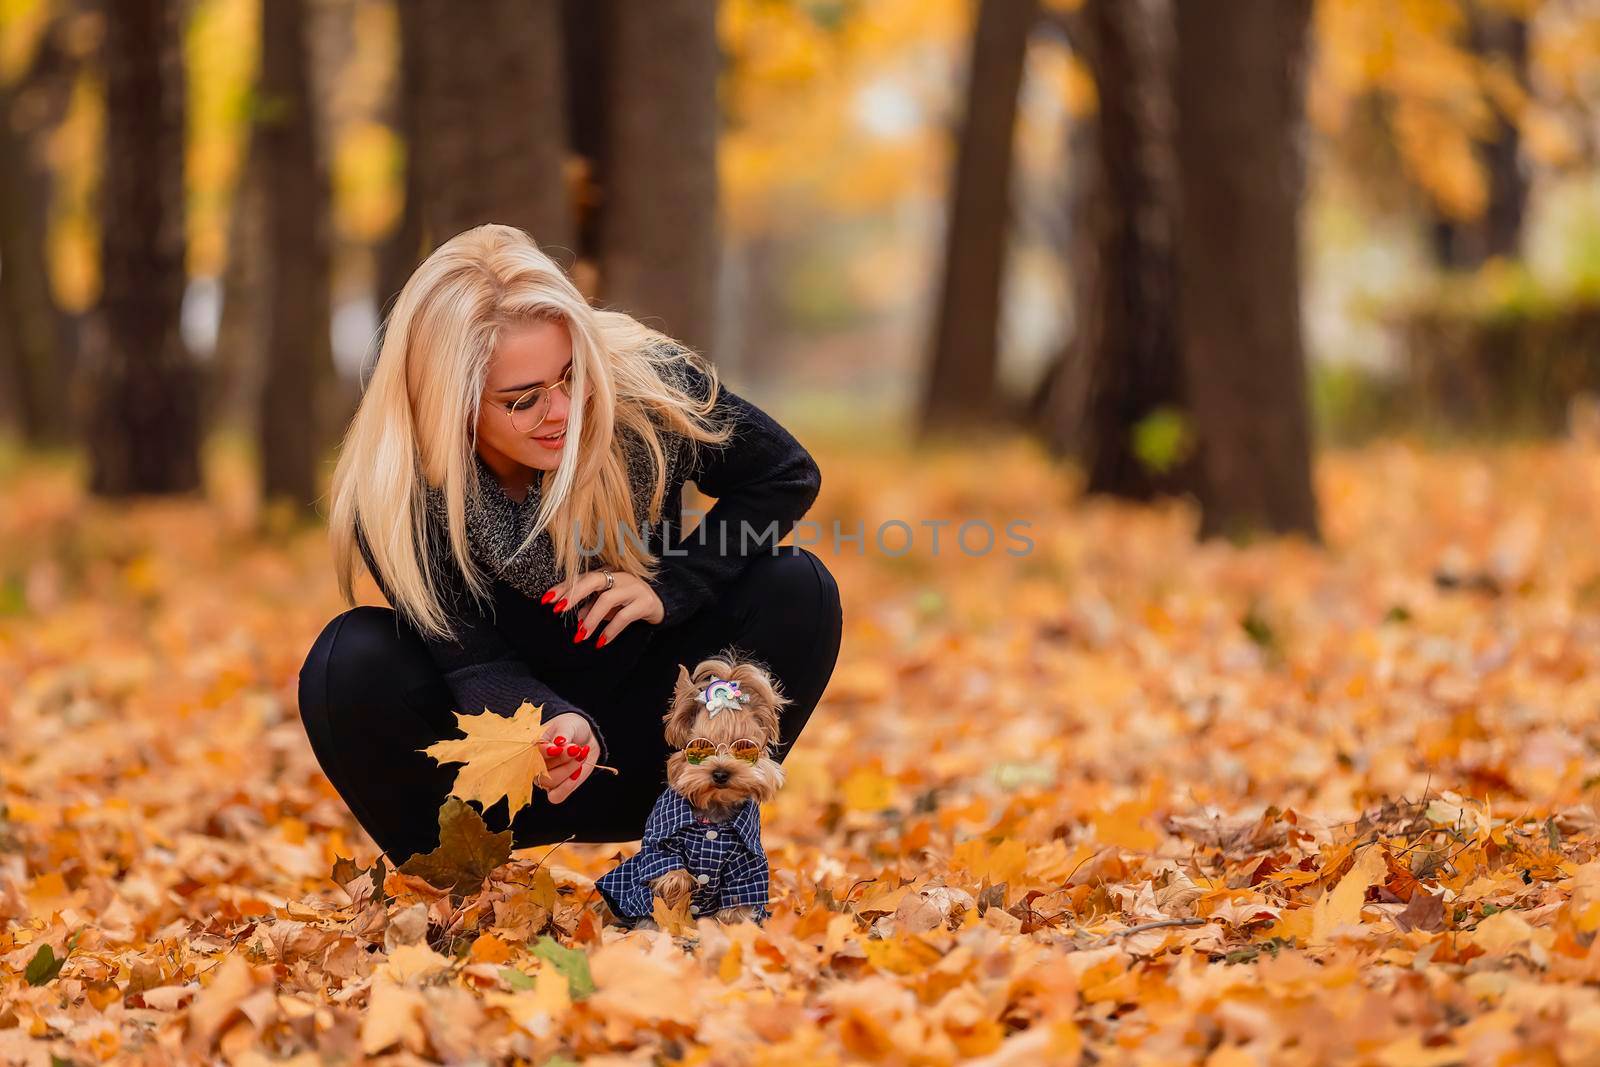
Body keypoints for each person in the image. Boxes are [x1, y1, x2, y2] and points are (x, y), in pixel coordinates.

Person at [297, 224, 843, 864]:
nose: (561, 411)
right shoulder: (398, 485)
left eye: (570, 375)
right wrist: (549, 723)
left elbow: (784, 474)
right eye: (522, 400)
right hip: (510, 769)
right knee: (349, 656)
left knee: (794, 584)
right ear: (452, 407)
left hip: (656, 729)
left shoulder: (645, 385)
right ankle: (453, 877)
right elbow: (472, 662)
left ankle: (704, 844)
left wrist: (672, 585)